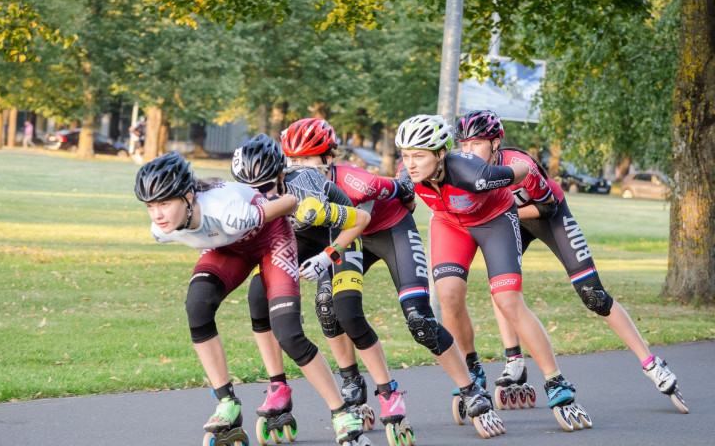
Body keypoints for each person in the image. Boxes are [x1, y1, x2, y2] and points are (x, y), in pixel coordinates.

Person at [280, 118, 508, 440]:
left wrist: (408, 199)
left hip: (391, 231)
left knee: (419, 319)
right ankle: (351, 382)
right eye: (293, 159)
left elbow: (400, 188)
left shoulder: (357, 181)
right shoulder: (291, 186)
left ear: (329, 158)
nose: (297, 166)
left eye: (306, 159)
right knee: (328, 306)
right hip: (348, 238)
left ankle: (471, 390)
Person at [452, 109, 688, 414]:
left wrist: (504, 211)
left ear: (496, 142)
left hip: (547, 213)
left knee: (593, 295)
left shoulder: (519, 165)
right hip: (509, 219)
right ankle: (514, 361)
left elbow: (547, 206)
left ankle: (652, 364)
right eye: (464, 145)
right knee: (502, 288)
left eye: (476, 144)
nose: (468, 151)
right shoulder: (463, 168)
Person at [134, 151, 372, 446]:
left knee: (288, 334)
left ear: (188, 196)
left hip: (271, 240)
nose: (157, 214)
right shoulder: (161, 230)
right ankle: (227, 403)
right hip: (229, 248)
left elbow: (289, 203)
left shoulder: (230, 211)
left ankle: (340, 414)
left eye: (165, 203)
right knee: (197, 306)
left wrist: (324, 252)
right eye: (150, 206)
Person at [396, 114, 592, 433]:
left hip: (494, 221)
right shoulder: (407, 174)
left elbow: (523, 170)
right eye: (405, 155)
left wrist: (529, 181)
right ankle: (473, 370)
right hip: (449, 223)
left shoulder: (473, 172)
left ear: (441, 153)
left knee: (508, 301)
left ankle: (557, 382)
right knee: (447, 296)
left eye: (419, 155)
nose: (411, 163)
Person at [231, 134, 394, 444]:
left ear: (280, 175)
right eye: (250, 190)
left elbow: (361, 219)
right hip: (300, 238)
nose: (260, 197)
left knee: (343, 310)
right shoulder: (244, 198)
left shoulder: (305, 191)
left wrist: (327, 256)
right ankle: (278, 387)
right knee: (257, 296)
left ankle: (388, 391)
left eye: (266, 187)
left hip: (339, 231)